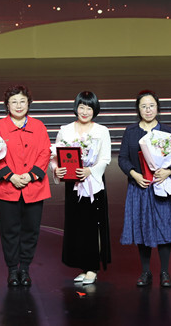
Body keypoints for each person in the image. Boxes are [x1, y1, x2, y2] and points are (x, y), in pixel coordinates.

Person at [118, 90, 171, 288]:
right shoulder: (131, 131)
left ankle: (165, 272)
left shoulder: (167, 130)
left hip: (161, 186)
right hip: (140, 187)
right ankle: (145, 272)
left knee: (164, 228)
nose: (148, 110)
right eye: (143, 106)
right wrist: (134, 175)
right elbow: (122, 159)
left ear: (157, 107)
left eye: (151, 105)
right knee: (142, 229)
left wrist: (168, 172)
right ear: (138, 109)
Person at [0, 85, 51, 287]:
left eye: (22, 101)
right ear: (7, 105)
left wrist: (30, 175)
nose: (18, 105)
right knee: (9, 231)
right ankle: (11, 270)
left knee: (31, 230)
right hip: (7, 187)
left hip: (34, 187)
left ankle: (24, 269)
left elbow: (45, 153)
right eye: (14, 102)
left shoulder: (39, 126)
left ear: (28, 104)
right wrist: (11, 177)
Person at [53, 91, 112, 285]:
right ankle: (83, 266)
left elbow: (105, 158)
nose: (85, 111)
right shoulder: (65, 130)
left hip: (93, 185)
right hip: (73, 184)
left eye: (89, 108)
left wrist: (90, 171)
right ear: (76, 107)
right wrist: (57, 170)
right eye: (82, 107)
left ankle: (93, 268)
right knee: (76, 226)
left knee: (93, 226)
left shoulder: (101, 131)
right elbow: (55, 156)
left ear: (95, 110)